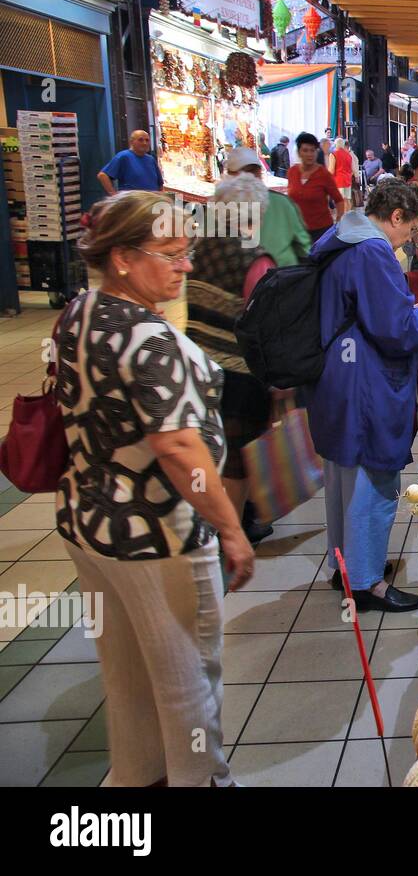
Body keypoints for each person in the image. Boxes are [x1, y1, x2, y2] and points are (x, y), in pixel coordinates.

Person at [57, 190, 253, 787]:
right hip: (156, 535)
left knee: (126, 679)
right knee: (187, 679)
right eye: (169, 254)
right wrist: (229, 526)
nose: (185, 266)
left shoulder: (78, 312)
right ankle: (202, 779)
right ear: (121, 257)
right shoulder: (149, 339)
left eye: (186, 252)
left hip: (87, 524)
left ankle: (137, 782)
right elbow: (177, 449)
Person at [304, 180, 418, 611]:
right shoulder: (372, 251)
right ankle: (367, 584)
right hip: (366, 384)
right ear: (396, 217)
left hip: (335, 379)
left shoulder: (339, 237)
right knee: (374, 478)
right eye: (409, 230)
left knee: (342, 477)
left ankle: (345, 566)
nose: (410, 239)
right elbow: (396, 330)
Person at [191, 171, 278, 534]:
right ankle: (233, 530)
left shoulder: (198, 248)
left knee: (213, 448)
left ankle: (215, 521)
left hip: (198, 363)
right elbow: (266, 324)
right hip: (240, 373)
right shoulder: (255, 260)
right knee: (239, 456)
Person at [220, 146, 310, 267]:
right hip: (281, 274)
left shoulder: (220, 205)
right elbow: (304, 246)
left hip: (245, 276)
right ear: (259, 175)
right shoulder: (282, 202)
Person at [287, 132, 344, 242]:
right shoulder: (292, 172)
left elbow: (338, 200)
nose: (309, 154)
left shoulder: (324, 174)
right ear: (299, 152)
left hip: (321, 231)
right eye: (305, 150)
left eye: (312, 150)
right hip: (297, 230)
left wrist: (339, 221)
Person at [97, 129, 164, 196]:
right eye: (140, 140)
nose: (144, 143)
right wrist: (113, 195)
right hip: (132, 203)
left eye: (147, 140)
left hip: (150, 202)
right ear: (131, 142)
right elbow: (102, 175)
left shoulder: (150, 159)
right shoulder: (124, 156)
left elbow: (160, 184)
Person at [327, 137, 354, 214]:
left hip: (338, 180)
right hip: (348, 180)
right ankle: (348, 216)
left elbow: (331, 170)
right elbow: (351, 169)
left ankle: (341, 218)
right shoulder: (348, 155)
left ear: (335, 144)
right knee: (347, 200)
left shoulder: (333, 154)